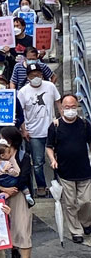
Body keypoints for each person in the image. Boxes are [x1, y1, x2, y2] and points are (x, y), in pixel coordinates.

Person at [46, 94, 91, 243]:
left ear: (77, 106)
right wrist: (52, 160)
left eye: (73, 107)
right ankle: (76, 231)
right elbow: (49, 147)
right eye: (67, 107)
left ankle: (85, 222)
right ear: (61, 108)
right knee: (70, 203)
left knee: (86, 201)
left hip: (84, 170)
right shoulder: (55, 126)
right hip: (65, 171)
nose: (70, 110)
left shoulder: (84, 124)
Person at [0, 127, 34, 258]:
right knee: (9, 226)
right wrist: (3, 189)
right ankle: (14, 252)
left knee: (23, 227)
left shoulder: (24, 156)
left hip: (19, 196)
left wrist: (14, 189)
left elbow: (24, 176)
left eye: (2, 137)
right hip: (3, 194)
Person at [18, 63, 61, 196]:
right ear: (27, 77)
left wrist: (62, 119)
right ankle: (41, 186)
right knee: (37, 162)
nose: (35, 77)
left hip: (51, 129)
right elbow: (20, 113)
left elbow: (58, 103)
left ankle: (58, 184)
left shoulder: (50, 86)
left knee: (56, 159)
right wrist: (23, 130)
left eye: (37, 74)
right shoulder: (23, 92)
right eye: (32, 75)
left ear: (42, 75)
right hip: (34, 132)